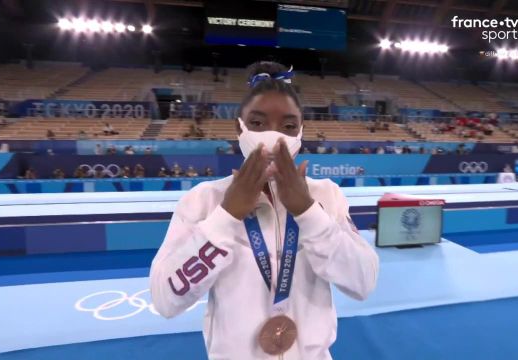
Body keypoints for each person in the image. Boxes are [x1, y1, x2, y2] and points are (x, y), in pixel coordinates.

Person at [150, 61, 379, 360]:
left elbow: (363, 282)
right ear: (239, 127)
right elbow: (166, 299)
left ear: (300, 132)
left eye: (287, 126)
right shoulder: (204, 200)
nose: (273, 136)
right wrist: (227, 216)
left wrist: (308, 213)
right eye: (258, 124)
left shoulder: (326, 195)